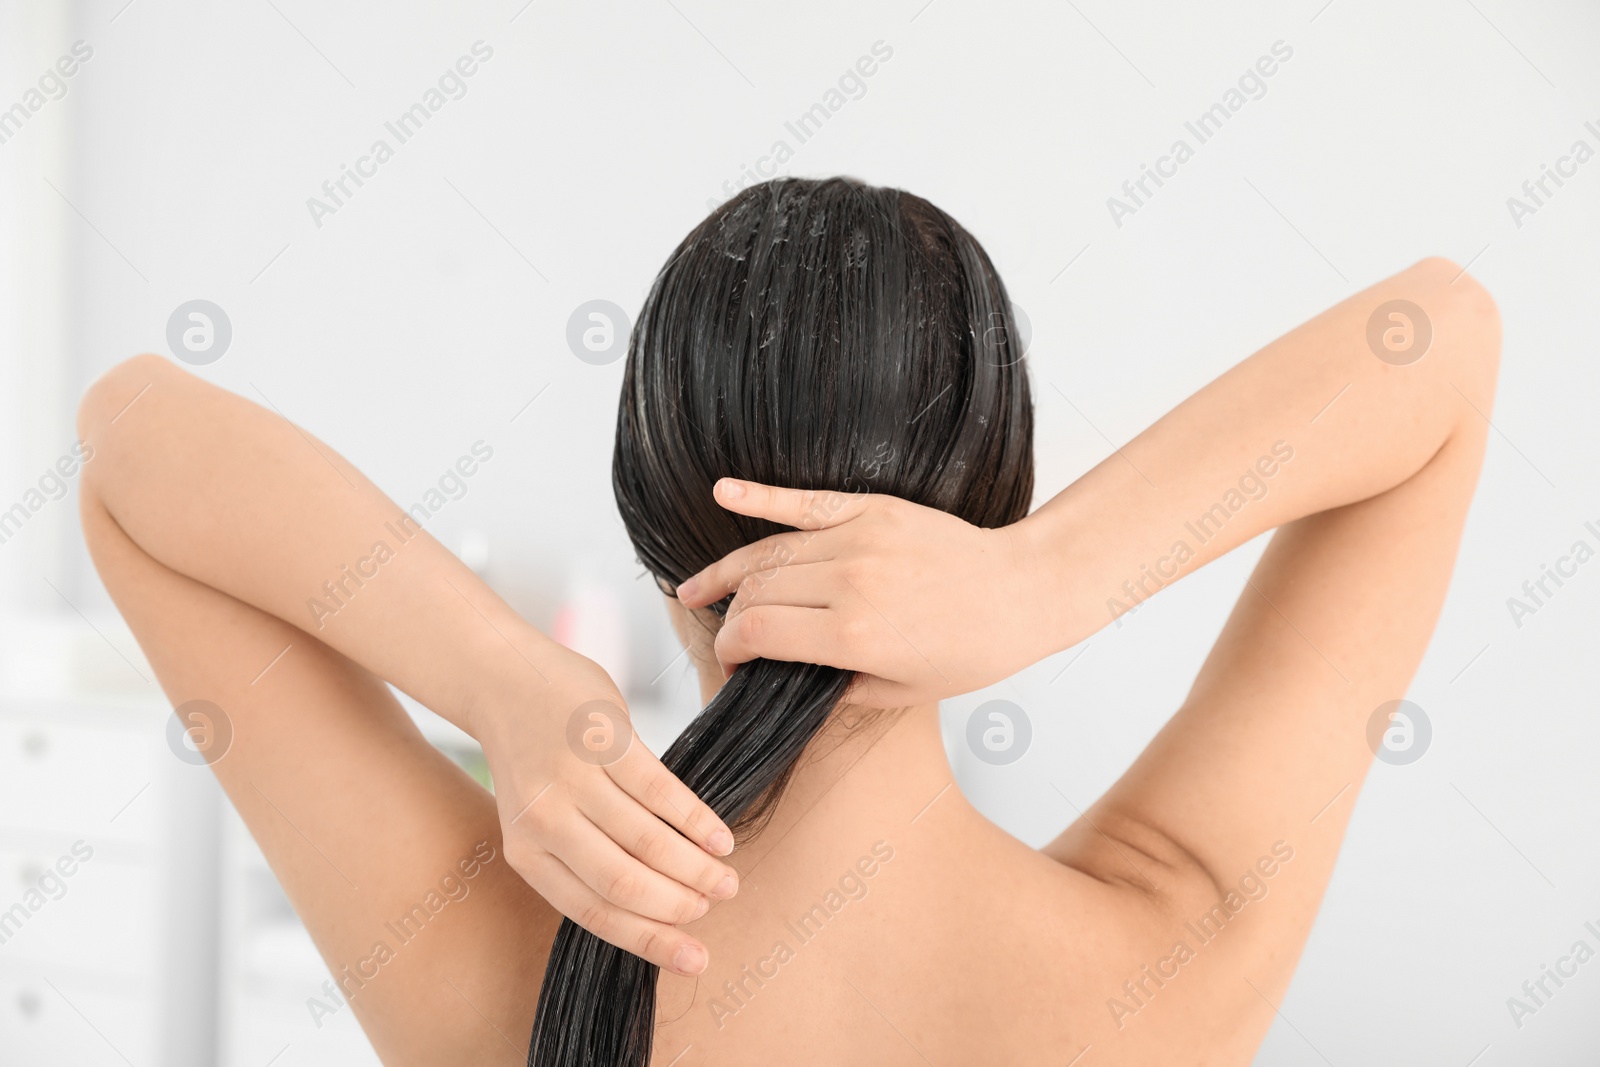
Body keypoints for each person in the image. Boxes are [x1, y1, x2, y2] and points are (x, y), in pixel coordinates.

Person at [75, 176, 1499, 1066]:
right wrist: (1045, 583)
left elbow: (131, 443)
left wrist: (504, 681)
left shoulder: (493, 978)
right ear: (991, 504)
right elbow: (1443, 340)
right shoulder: (1171, 953)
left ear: (651, 534)